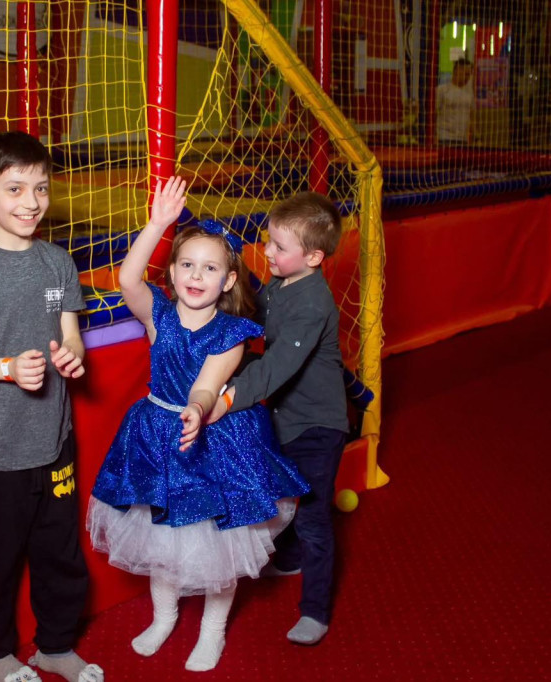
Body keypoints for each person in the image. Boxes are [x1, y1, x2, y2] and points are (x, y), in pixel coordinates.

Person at [87, 177, 309, 672]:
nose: (196, 275)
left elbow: (208, 386)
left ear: (227, 281)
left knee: (218, 546)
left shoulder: (232, 333)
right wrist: (158, 224)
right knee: (162, 538)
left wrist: (197, 408)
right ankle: (164, 617)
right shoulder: (159, 316)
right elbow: (128, 279)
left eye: (209, 268)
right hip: (156, 436)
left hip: (212, 439)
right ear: (171, 272)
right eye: (187, 264)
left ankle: (212, 630)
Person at [0, 131, 103, 682]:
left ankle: (55, 644)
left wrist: (72, 355)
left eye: (41, 188)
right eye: (14, 189)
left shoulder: (56, 265)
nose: (31, 202)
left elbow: (69, 331)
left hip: (54, 441)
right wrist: (6, 368)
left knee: (60, 552)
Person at [210, 190, 350, 646]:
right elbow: (259, 306)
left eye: (278, 246)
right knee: (287, 491)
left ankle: (315, 610)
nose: (268, 251)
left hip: (317, 427)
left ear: (313, 257)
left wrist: (227, 399)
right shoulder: (284, 282)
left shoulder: (312, 303)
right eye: (268, 240)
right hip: (287, 417)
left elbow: (275, 368)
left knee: (312, 516)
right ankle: (289, 559)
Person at [437, 58, 475, 145]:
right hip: (444, 138)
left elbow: (471, 116)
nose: (468, 77)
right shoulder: (442, 90)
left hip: (462, 140)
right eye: (466, 74)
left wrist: (474, 136)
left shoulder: (469, 94)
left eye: (469, 74)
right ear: (457, 72)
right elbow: (433, 113)